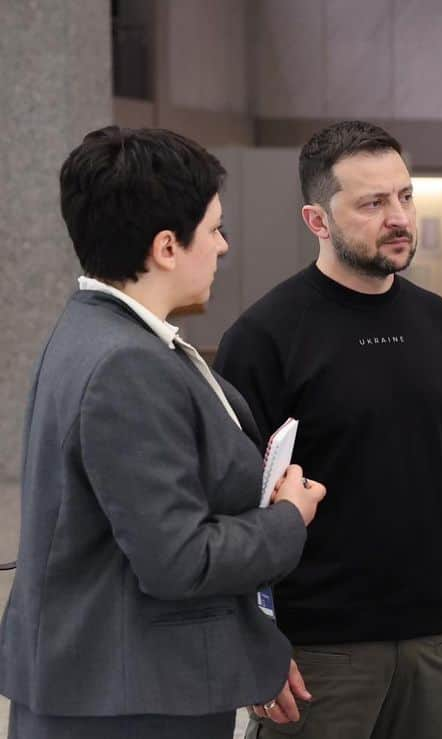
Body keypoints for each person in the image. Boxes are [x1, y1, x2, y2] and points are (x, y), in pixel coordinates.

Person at [0, 126, 327, 739]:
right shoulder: (129, 364)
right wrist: (289, 515)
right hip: (129, 702)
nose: (224, 246)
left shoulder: (90, 331)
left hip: (106, 681)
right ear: (167, 246)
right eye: (214, 229)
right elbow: (177, 559)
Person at [215, 120, 442, 739]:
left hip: (431, 639)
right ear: (317, 220)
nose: (398, 217)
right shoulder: (265, 337)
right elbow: (232, 505)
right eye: (372, 203)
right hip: (315, 654)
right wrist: (253, 640)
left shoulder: (437, 323)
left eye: (405, 196)